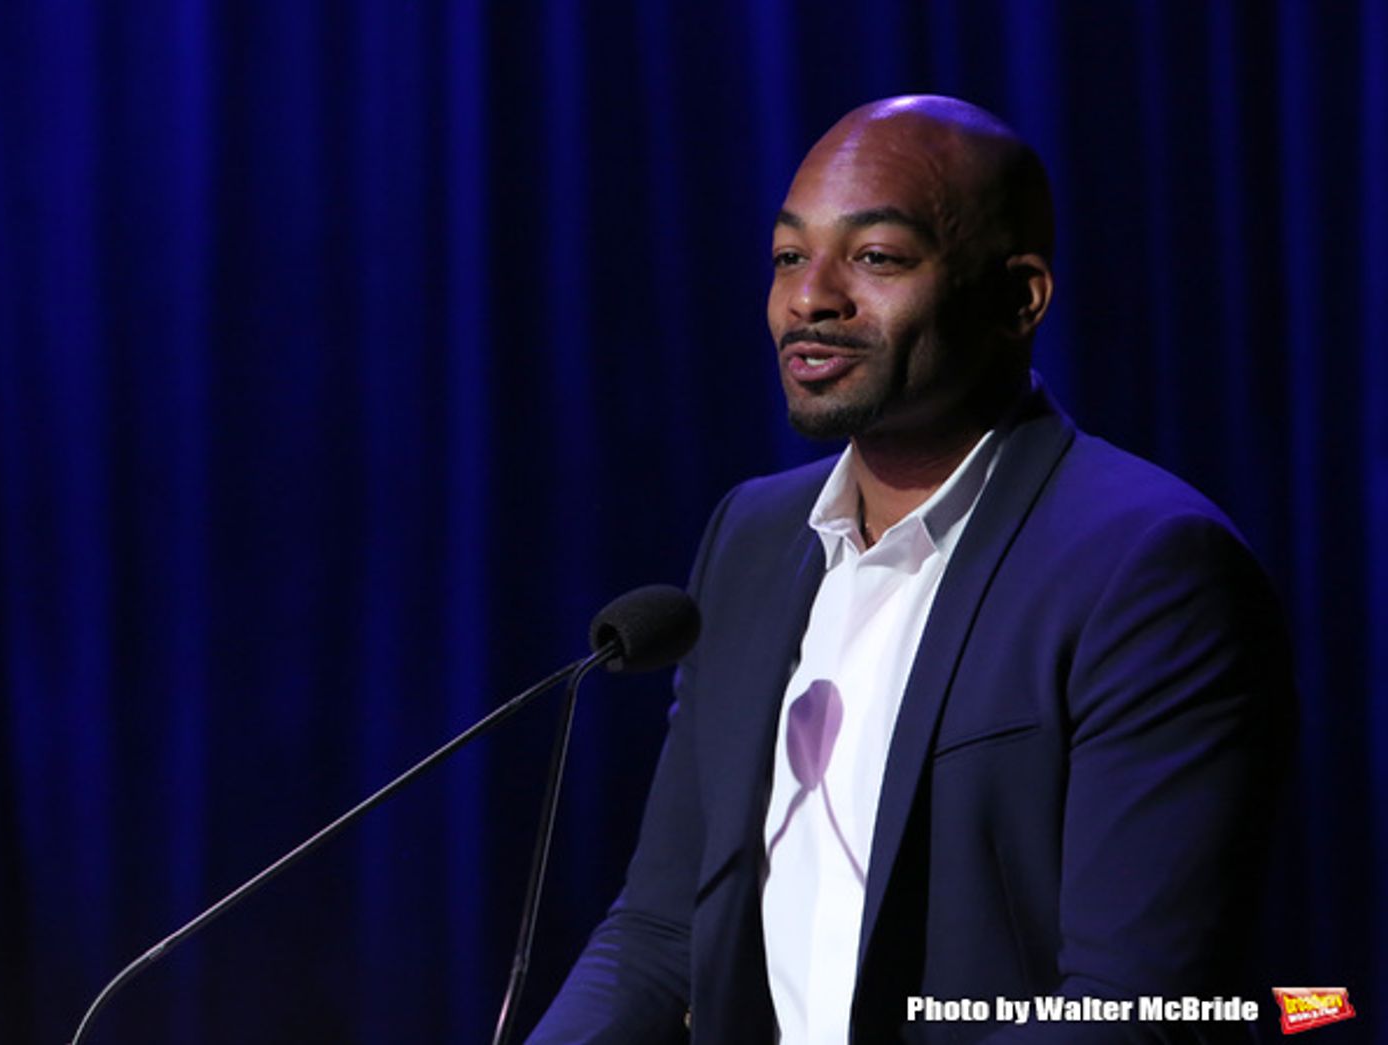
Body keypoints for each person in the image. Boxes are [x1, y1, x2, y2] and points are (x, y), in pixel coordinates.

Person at [529, 96, 1294, 1043]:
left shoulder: (1147, 564)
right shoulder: (754, 537)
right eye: (787, 257)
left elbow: (1134, 1011)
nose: (811, 297)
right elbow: (659, 931)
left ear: (1020, 299)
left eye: (876, 257)